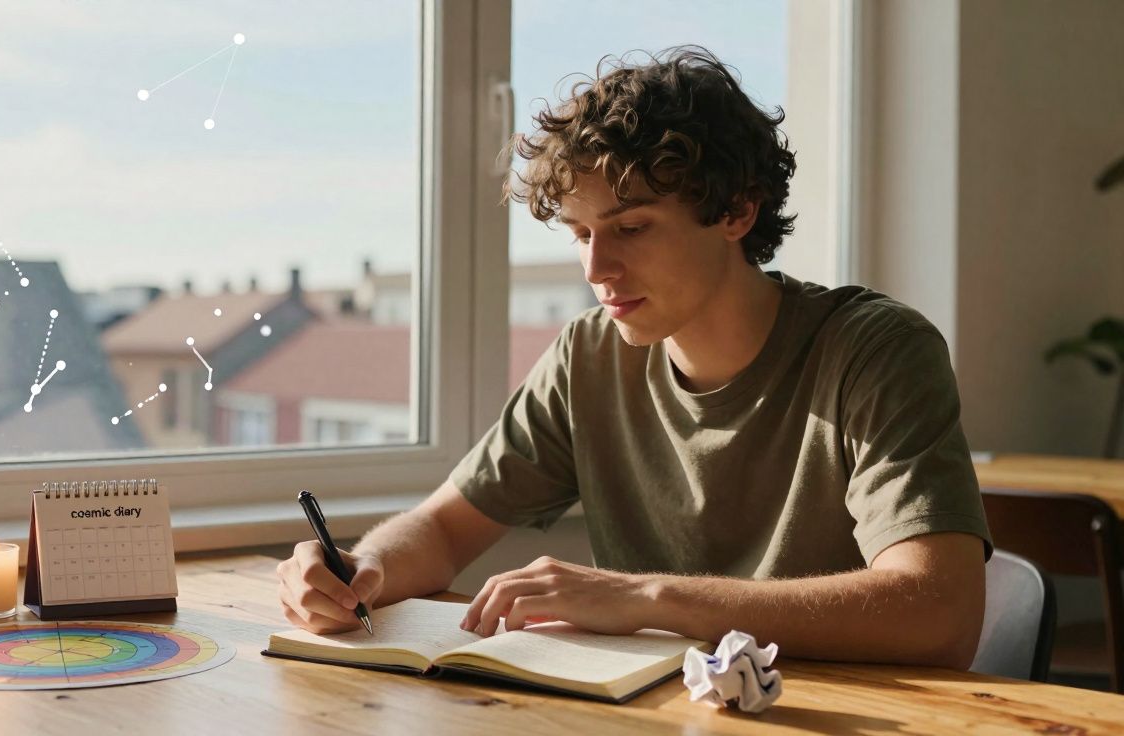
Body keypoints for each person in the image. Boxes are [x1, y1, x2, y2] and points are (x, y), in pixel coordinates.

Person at [276, 46, 991, 669]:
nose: (596, 267)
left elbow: (939, 613)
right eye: (580, 233)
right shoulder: (589, 357)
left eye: (632, 227)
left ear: (737, 213)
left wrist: (646, 597)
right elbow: (439, 529)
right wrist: (362, 570)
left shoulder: (874, 351)